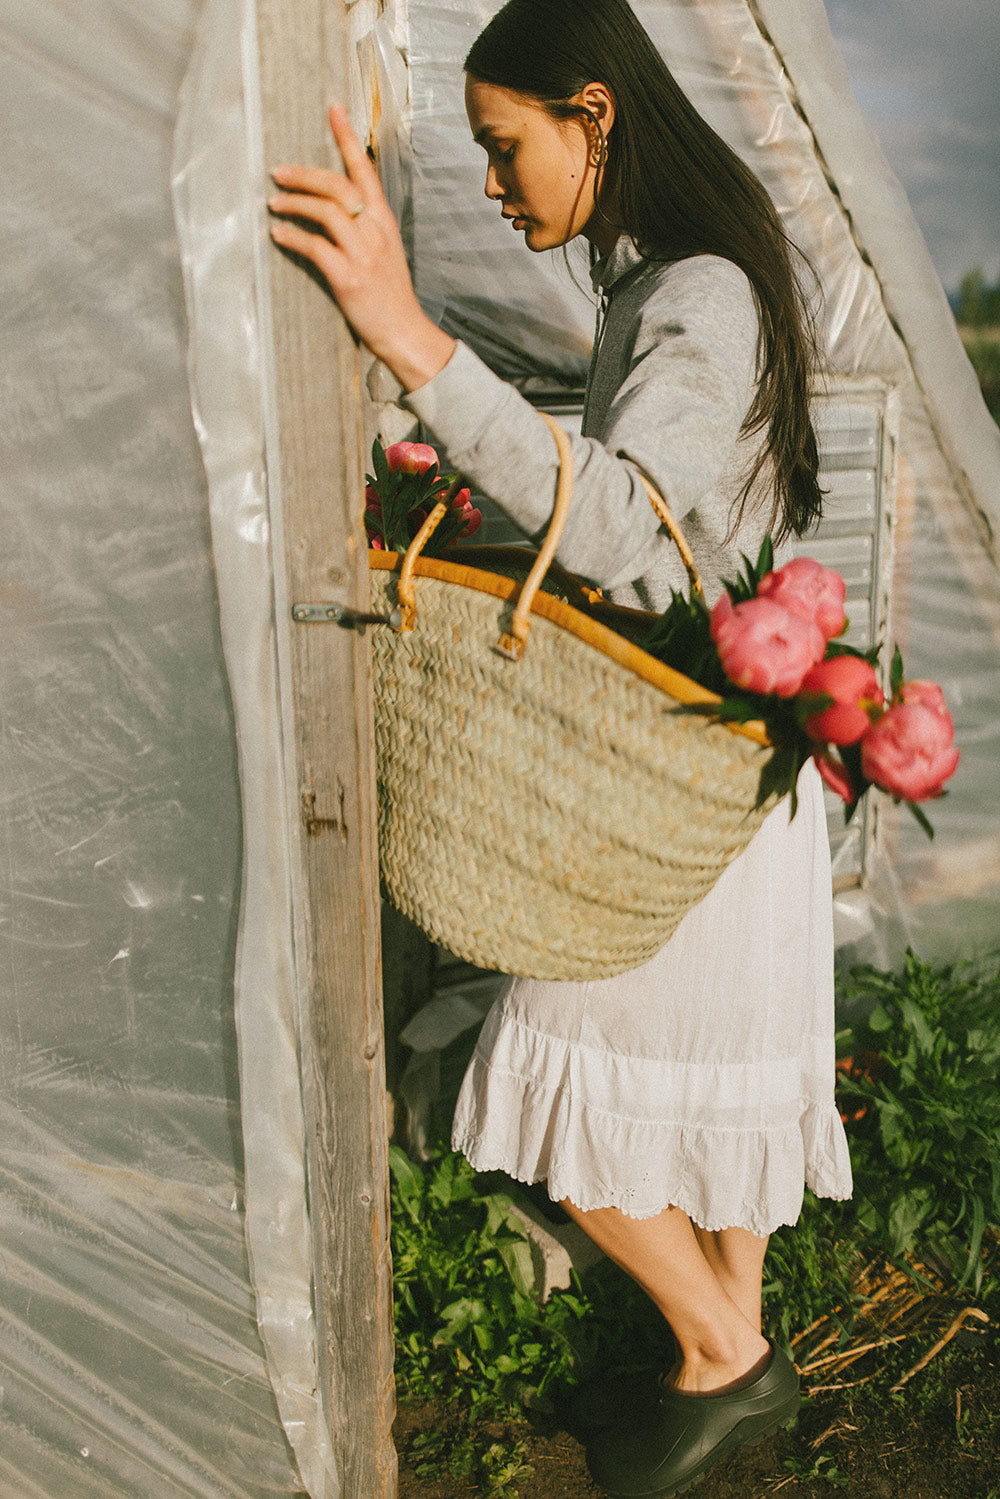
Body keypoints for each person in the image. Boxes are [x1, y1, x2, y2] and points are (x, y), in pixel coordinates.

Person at [268, 1, 853, 1493]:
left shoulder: (698, 295)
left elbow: (628, 525)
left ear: (594, 115)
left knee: (553, 1083)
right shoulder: (678, 278)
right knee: (708, 1096)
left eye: (501, 143)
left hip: (661, 787)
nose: (489, 181)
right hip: (724, 774)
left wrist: (409, 339)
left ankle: (723, 1357)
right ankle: (728, 1359)